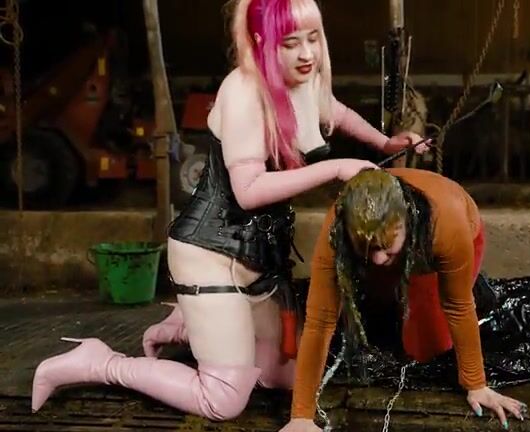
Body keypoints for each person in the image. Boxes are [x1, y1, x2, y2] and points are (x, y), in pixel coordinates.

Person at [30, 0, 424, 421]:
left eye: (313, 39)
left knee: (288, 378)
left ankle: (195, 325)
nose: (307, 54)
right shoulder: (242, 93)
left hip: (259, 258)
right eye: (290, 43)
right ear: (260, 41)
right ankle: (102, 362)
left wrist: (384, 142)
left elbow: (335, 111)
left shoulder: (303, 79)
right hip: (209, 256)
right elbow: (248, 191)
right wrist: (337, 167)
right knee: (223, 399)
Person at [279, 168, 526, 432]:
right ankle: (383, 265)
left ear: (406, 222)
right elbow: (320, 321)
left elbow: (457, 306)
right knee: (378, 308)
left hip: (443, 241)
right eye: (369, 248)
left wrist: (476, 384)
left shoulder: (446, 225)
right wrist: (301, 416)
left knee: (426, 347)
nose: (378, 259)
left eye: (385, 247)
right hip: (391, 248)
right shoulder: (338, 227)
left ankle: (472, 285)